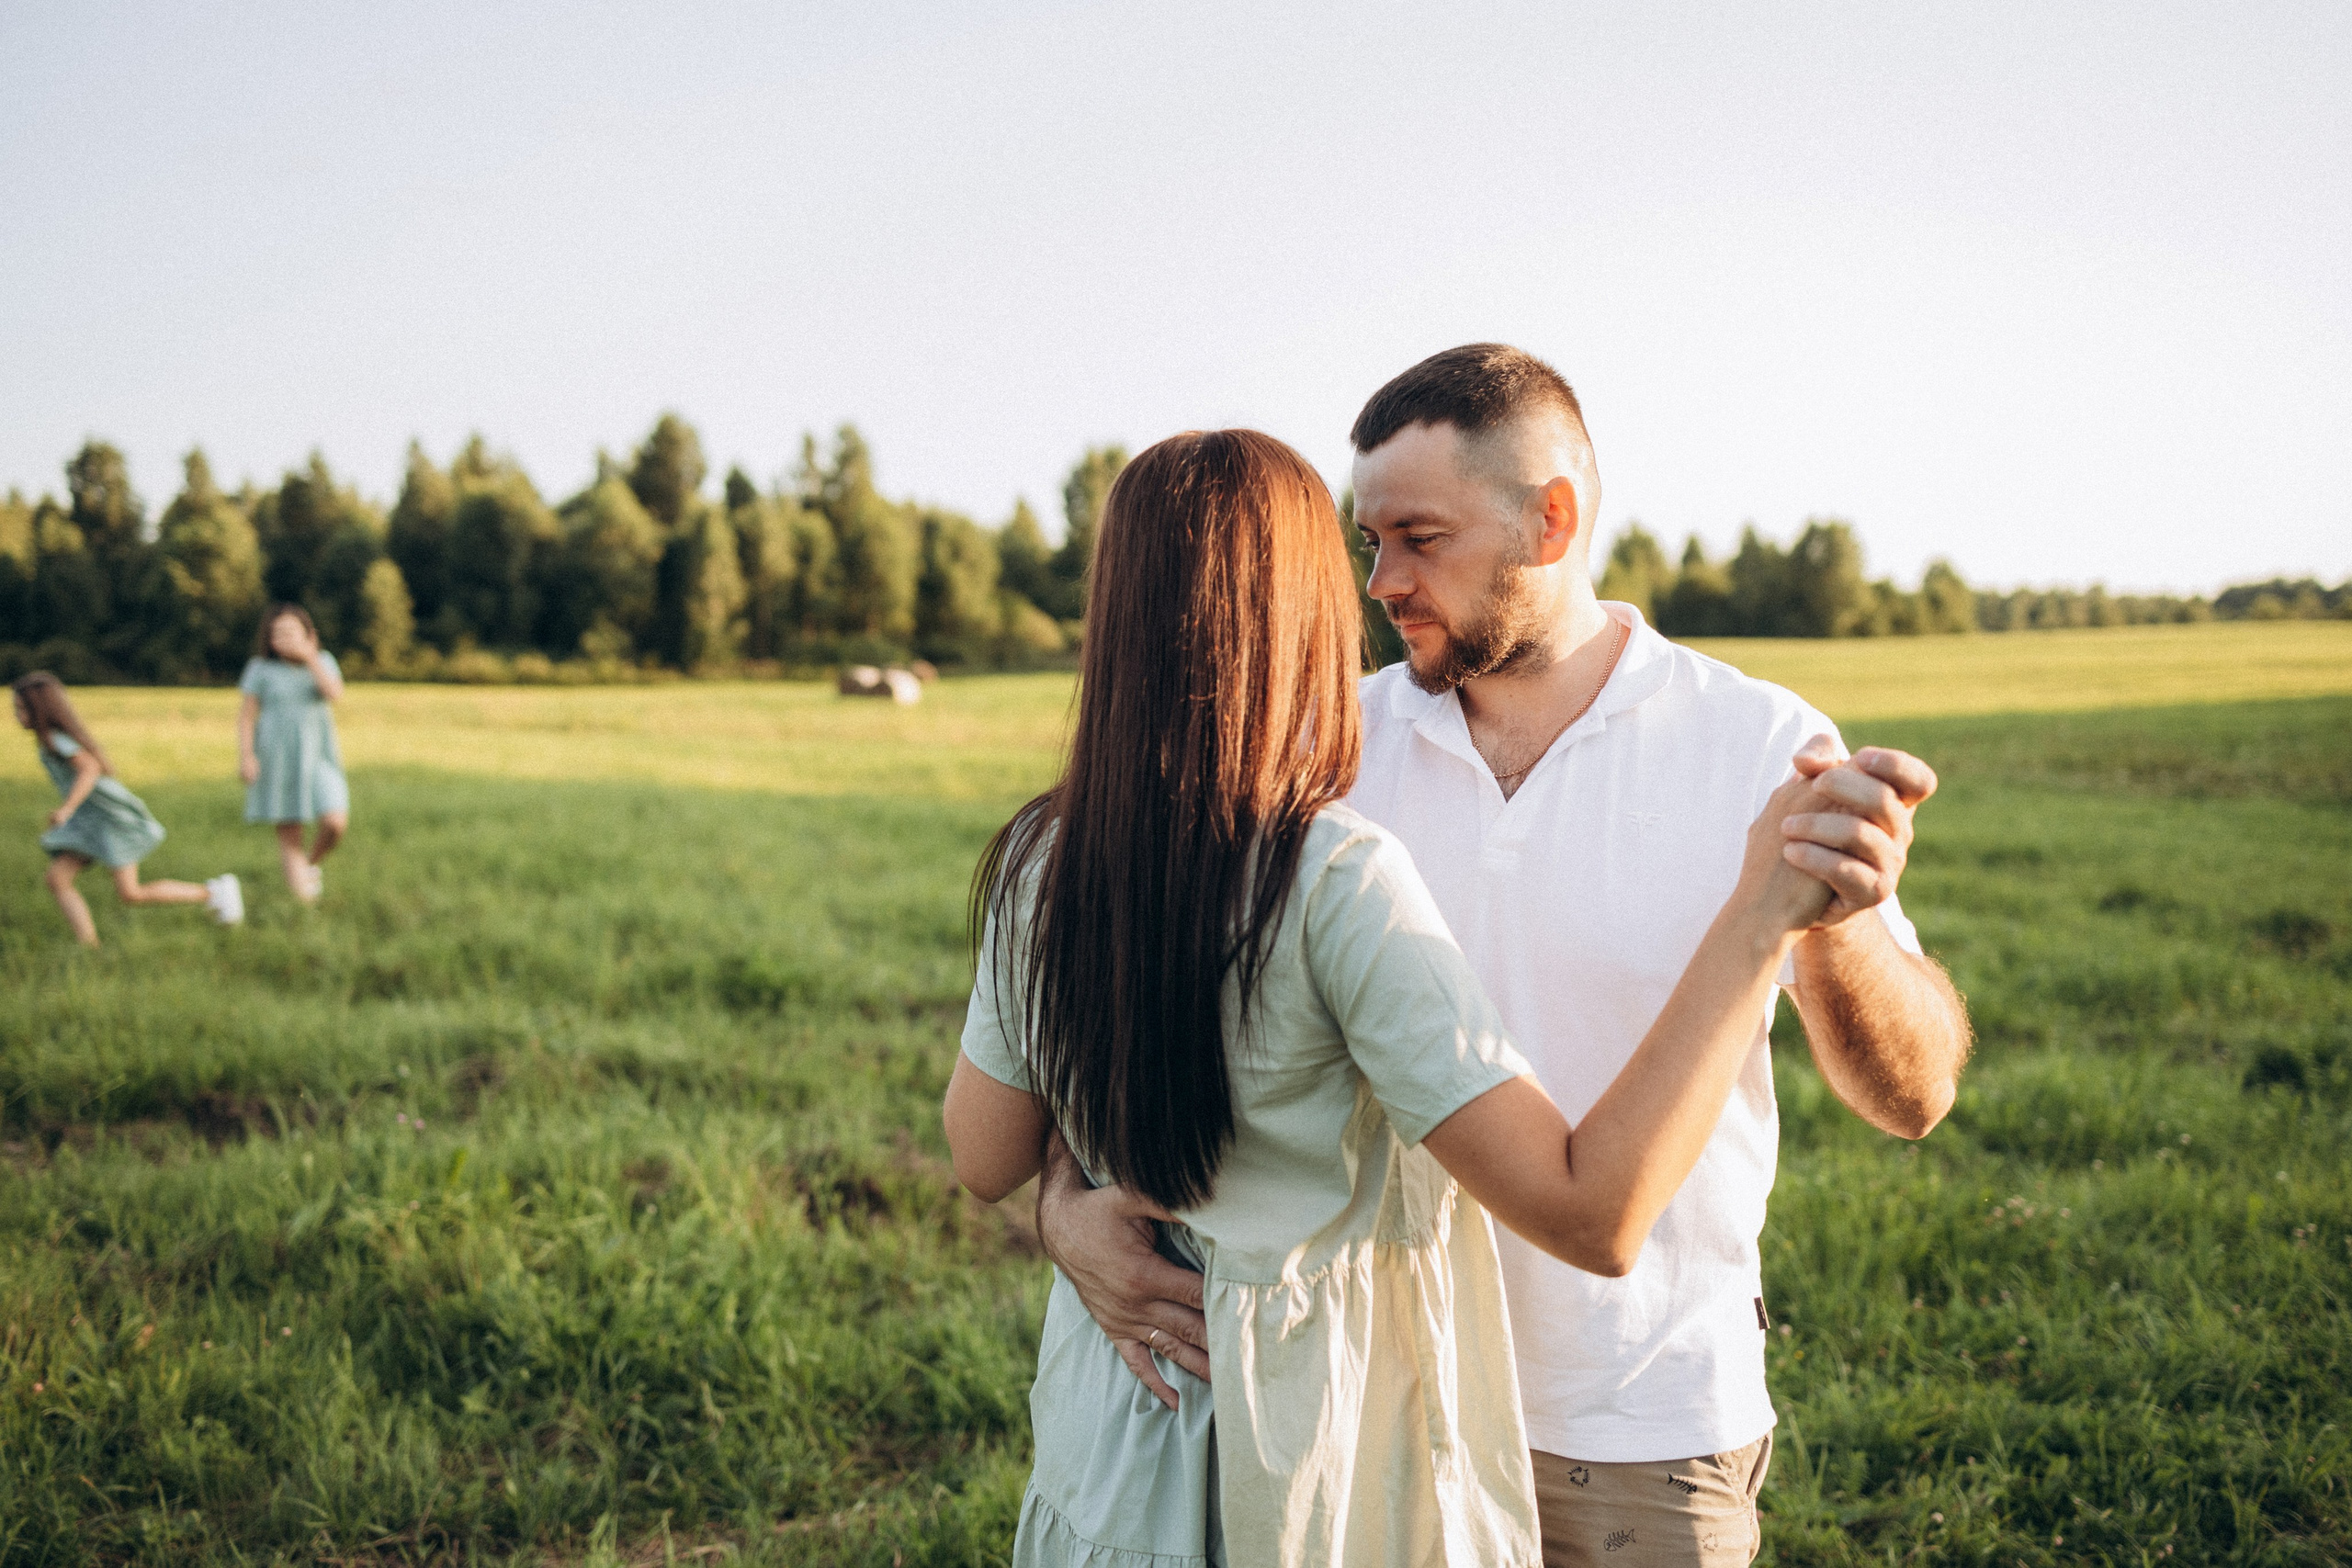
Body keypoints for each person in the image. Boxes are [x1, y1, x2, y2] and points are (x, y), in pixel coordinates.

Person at [1036, 347, 1973, 1567]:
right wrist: (1065, 1205)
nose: (1383, 580)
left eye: (1420, 536)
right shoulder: (1326, 746)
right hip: (1369, 1409)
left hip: (1631, 1425)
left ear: (1554, 518)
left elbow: (1914, 1096)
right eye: (1368, 541)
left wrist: (1831, 917)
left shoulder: (1758, 744)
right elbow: (1143, 999)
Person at [14, 671, 243, 945]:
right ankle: (89, 946)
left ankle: (212, 892)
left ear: (41, 710)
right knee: (57, 879)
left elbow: (90, 768)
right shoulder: (50, 741)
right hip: (90, 822)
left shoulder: (58, 741)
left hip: (109, 820)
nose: (17, 715)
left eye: (21, 709)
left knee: (131, 893)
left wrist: (67, 808)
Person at [238, 604, 348, 902]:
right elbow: (247, 717)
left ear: (308, 634)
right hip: (277, 758)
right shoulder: (260, 669)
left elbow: (334, 693)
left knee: (335, 822)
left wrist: (310, 657)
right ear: (268, 640)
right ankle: (303, 907)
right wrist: (247, 756)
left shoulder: (322, 661)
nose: (284, 638)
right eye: (277, 633)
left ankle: (309, 865)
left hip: (319, 755)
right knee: (290, 833)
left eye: (291, 631)